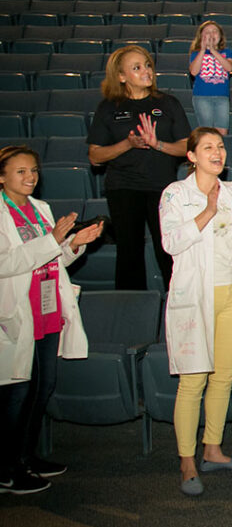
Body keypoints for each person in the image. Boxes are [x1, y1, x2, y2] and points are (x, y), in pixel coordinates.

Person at [159, 128, 232, 496]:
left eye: (220, 147)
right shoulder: (176, 194)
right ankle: (187, 461)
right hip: (195, 298)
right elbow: (171, 242)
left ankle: (213, 449)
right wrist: (207, 211)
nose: (217, 153)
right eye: (208, 148)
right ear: (191, 156)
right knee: (193, 380)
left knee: (223, 376)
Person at [0, 145, 101, 494]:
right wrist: (53, 240)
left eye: (33, 171)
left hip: (46, 309)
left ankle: (26, 457)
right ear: (2, 177)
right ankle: (6, 467)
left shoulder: (40, 208)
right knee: (16, 394)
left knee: (42, 389)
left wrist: (73, 244)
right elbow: (6, 264)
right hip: (15, 313)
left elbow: (54, 260)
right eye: (20, 172)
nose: (30, 177)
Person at [88, 45, 190, 289]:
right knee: (129, 252)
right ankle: (130, 310)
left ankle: (178, 306)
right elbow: (95, 156)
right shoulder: (108, 107)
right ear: (121, 77)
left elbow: (187, 147)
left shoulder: (168, 103)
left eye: (147, 65)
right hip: (123, 187)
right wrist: (127, 143)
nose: (146, 71)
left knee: (168, 249)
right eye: (137, 67)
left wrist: (159, 144)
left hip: (162, 188)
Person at [189, 21, 232, 133]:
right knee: (207, 130)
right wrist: (204, 50)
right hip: (202, 96)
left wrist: (213, 51)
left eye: (214, 31)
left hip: (222, 97)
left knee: (222, 130)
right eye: (207, 32)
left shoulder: (227, 52)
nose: (211, 34)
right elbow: (193, 72)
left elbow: (229, 67)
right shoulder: (196, 53)